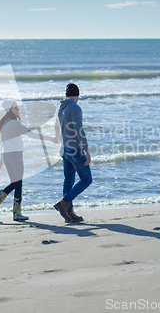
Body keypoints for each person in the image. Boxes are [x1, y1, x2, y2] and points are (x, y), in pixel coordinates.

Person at [0, 100, 56, 221]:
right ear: (10, 110)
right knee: (18, 184)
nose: (18, 110)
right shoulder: (14, 122)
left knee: (14, 183)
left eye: (17, 107)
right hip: (15, 156)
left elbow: (2, 142)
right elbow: (32, 134)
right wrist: (50, 138)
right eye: (15, 108)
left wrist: (1, 158)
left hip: (7, 156)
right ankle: (16, 213)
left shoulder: (3, 123)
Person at [53, 83, 92, 223]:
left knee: (68, 181)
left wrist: (57, 138)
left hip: (64, 149)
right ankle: (64, 203)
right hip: (74, 149)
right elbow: (79, 130)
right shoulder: (75, 107)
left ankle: (69, 212)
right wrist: (86, 150)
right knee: (87, 179)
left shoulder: (60, 108)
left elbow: (56, 128)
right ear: (77, 96)